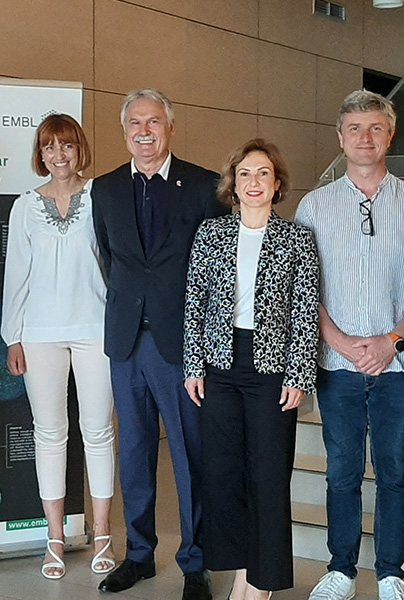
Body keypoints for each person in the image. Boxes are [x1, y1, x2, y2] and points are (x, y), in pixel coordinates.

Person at [295, 90, 404, 600]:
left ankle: (391, 573)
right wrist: (338, 340)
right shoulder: (315, 205)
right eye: (354, 129)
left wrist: (391, 341)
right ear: (340, 137)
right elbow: (303, 285)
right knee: (342, 472)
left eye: (375, 128)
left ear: (389, 135)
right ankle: (341, 570)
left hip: (400, 364)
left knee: (396, 471)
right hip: (338, 363)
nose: (364, 138)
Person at [91, 89, 227, 600]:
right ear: (124, 130)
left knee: (191, 454)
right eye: (134, 123)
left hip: (183, 343)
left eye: (153, 122)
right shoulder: (103, 189)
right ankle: (140, 555)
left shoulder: (204, 186)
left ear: (170, 127)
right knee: (135, 452)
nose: (143, 131)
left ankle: (196, 562)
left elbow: (217, 266)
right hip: (126, 341)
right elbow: (109, 257)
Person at [183, 139, 319, 600]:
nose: (254, 182)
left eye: (263, 174)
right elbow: (194, 305)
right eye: (245, 174)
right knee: (223, 474)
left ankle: (260, 586)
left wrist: (299, 374)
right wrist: (192, 365)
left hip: (272, 369)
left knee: (267, 474)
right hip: (219, 364)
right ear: (233, 184)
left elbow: (304, 310)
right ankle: (242, 573)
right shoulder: (211, 233)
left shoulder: (296, 238)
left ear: (277, 184)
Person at [0, 114, 116, 580]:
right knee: (49, 433)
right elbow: (16, 276)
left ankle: (103, 533)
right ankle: (54, 538)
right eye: (49, 148)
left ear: (79, 148)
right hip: (39, 333)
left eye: (66, 146)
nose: (59, 155)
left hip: (97, 328)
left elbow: (115, 262)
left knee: (99, 432)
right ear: (40, 154)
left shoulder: (102, 197)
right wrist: (13, 336)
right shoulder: (24, 205)